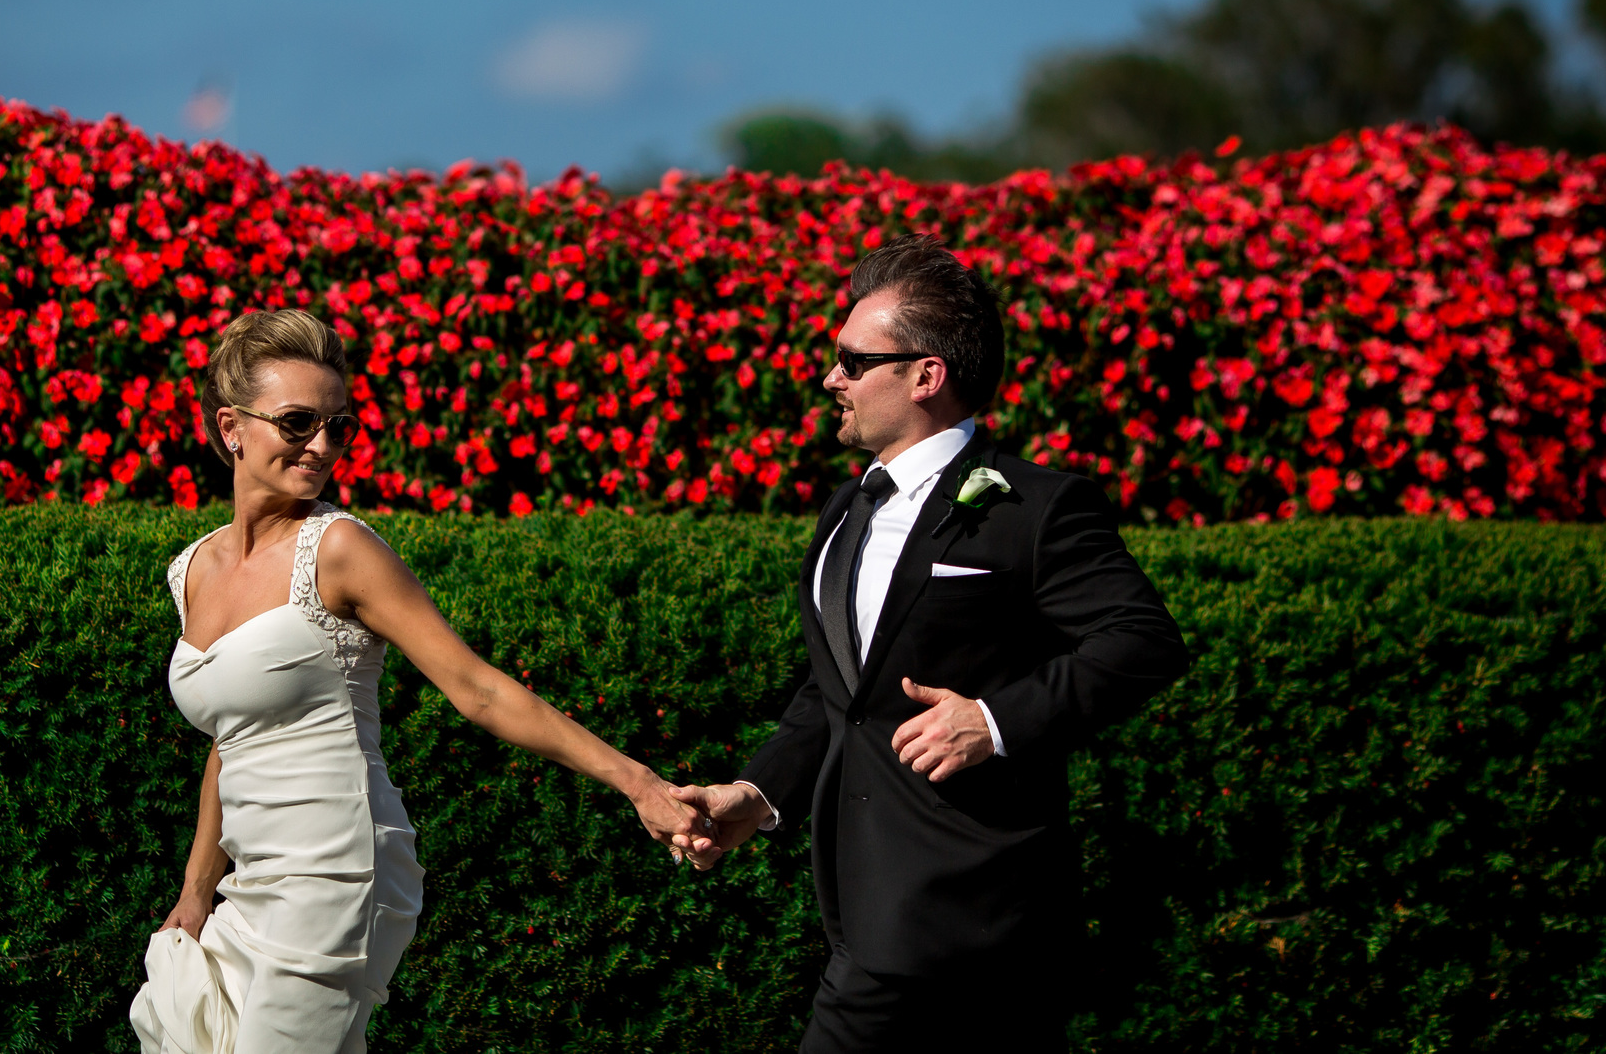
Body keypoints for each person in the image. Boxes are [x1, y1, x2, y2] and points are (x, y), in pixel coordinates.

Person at [669, 235, 1191, 1052]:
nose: (830, 377)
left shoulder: (1036, 506)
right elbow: (835, 694)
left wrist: (994, 719)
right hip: (862, 904)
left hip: (981, 909)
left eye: (851, 358)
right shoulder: (845, 506)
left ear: (925, 374)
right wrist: (759, 795)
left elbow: (1143, 641)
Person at [130, 308, 699, 1054]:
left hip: (337, 870)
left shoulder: (339, 548)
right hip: (252, 881)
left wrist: (641, 784)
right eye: (299, 422)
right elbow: (233, 735)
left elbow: (479, 688)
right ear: (231, 427)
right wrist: (195, 890)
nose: (322, 444)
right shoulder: (192, 568)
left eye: (340, 425)